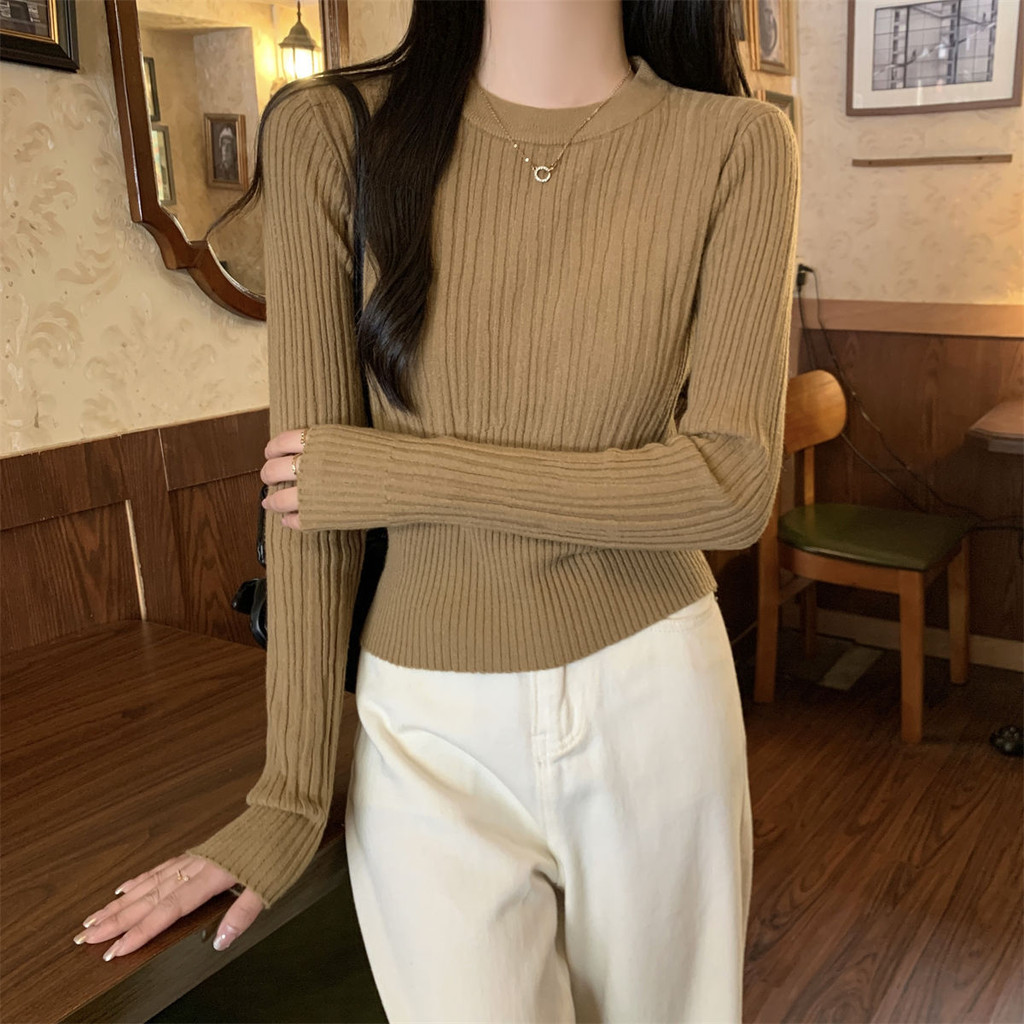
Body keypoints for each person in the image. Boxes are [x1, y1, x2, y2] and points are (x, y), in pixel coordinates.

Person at [73, 1, 800, 1020]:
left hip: (654, 697)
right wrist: (287, 799)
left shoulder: (737, 143)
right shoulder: (331, 132)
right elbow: (309, 499)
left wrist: (406, 475)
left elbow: (728, 488)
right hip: (423, 728)